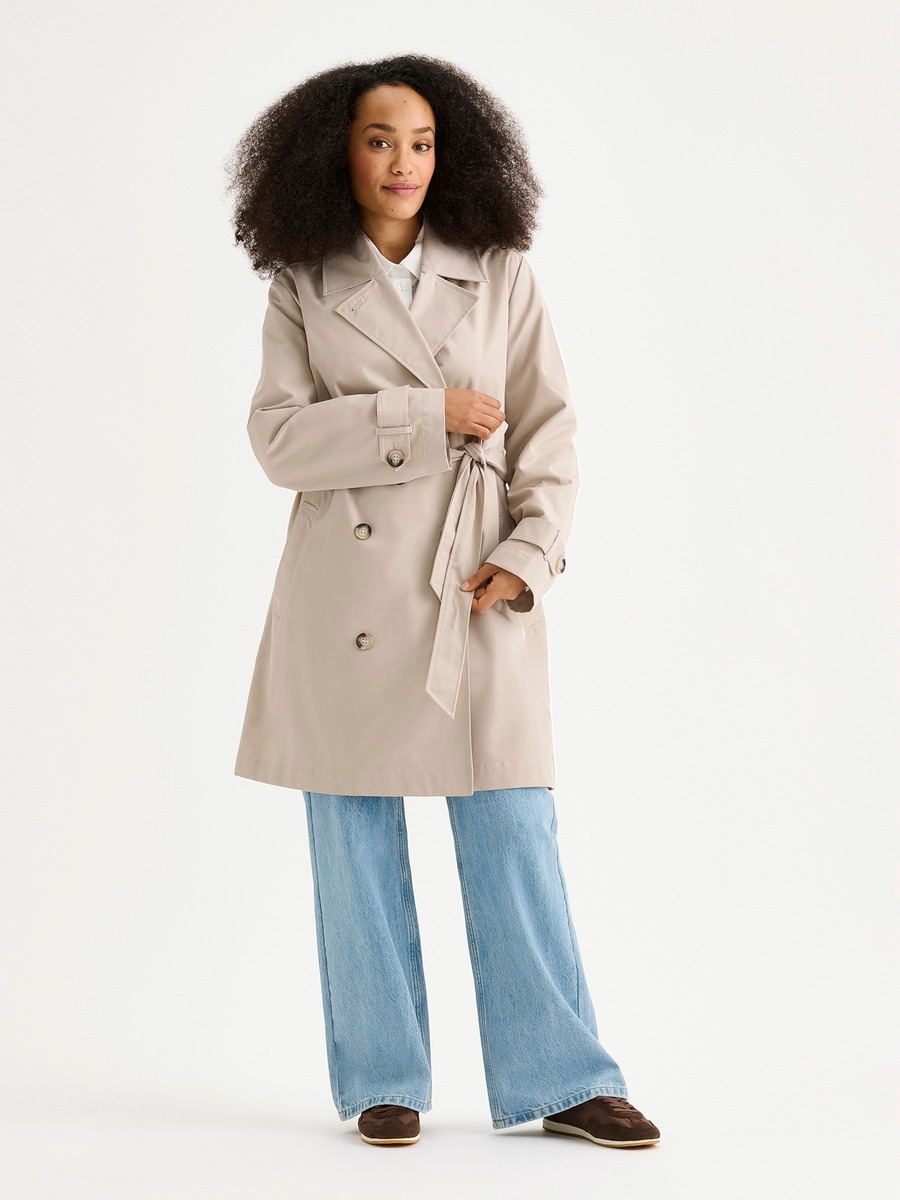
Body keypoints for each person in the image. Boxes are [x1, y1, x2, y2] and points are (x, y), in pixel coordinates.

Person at [224, 53, 660, 1149]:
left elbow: (548, 426)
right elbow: (277, 441)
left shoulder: (499, 269)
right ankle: (383, 1076)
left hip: (476, 586)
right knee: (354, 845)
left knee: (514, 827)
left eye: (421, 142)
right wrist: (425, 416)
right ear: (336, 154)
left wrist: (532, 551)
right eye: (379, 140)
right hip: (349, 600)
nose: (403, 162)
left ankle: (565, 1076)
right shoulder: (303, 280)